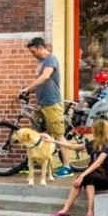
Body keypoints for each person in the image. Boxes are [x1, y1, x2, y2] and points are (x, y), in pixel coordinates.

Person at [49, 119, 108, 216]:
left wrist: (82, 175)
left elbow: (97, 163)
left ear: (98, 130)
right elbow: (73, 147)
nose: (92, 130)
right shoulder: (93, 143)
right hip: (93, 176)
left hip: (107, 179)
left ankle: (90, 211)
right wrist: (54, 141)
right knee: (84, 179)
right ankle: (64, 210)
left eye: (93, 128)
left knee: (87, 177)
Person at [23, 36, 71, 171]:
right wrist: (26, 91)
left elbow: (45, 77)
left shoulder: (51, 59)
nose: (32, 55)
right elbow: (39, 82)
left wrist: (28, 87)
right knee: (37, 132)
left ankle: (67, 166)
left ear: (40, 48)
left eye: (33, 52)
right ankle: (37, 163)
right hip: (41, 103)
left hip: (51, 102)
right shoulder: (40, 61)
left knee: (59, 135)